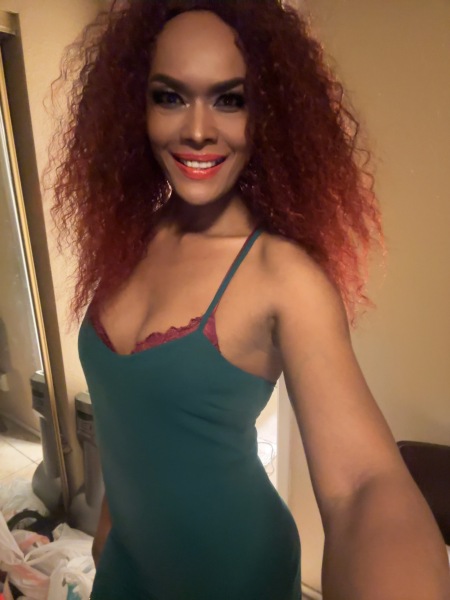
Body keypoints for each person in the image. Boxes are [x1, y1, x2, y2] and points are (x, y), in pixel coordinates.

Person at [49, 1, 450, 599]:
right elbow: (129, 416)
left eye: (230, 99)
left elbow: (364, 485)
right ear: (137, 105)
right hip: (126, 561)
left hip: (234, 573)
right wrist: (110, 521)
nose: (198, 129)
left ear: (268, 113)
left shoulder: (282, 276)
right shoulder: (126, 242)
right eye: (170, 97)